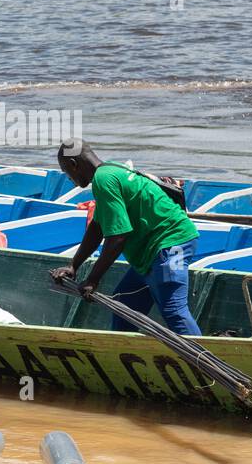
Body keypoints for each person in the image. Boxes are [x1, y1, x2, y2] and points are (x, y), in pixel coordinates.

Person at [47, 139, 201, 336]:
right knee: (124, 306)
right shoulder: (111, 170)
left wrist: (93, 280)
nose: (69, 179)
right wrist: (74, 266)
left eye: (67, 173)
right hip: (149, 253)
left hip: (171, 243)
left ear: (74, 165)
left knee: (174, 311)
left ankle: (201, 362)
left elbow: (118, 237)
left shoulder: (104, 181)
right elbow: (97, 227)